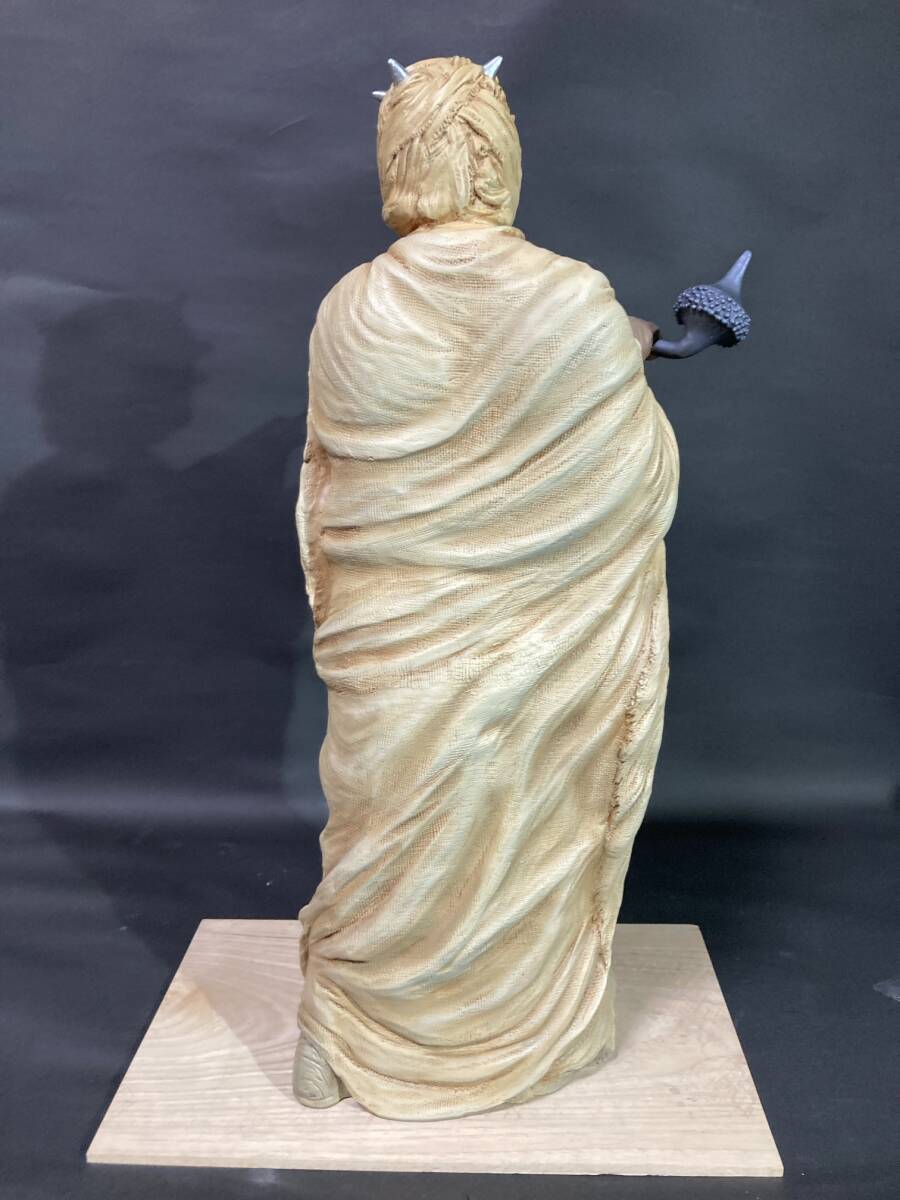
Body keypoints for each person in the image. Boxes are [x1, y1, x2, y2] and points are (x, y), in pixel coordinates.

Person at [293, 55, 678, 1119]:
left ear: (398, 161)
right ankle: (522, 1034)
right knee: (522, 811)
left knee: (381, 827)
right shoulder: (571, 299)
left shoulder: (349, 308)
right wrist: (622, 360)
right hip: (537, 641)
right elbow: (631, 474)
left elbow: (328, 486)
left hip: (393, 638)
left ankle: (337, 1039)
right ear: (499, 161)